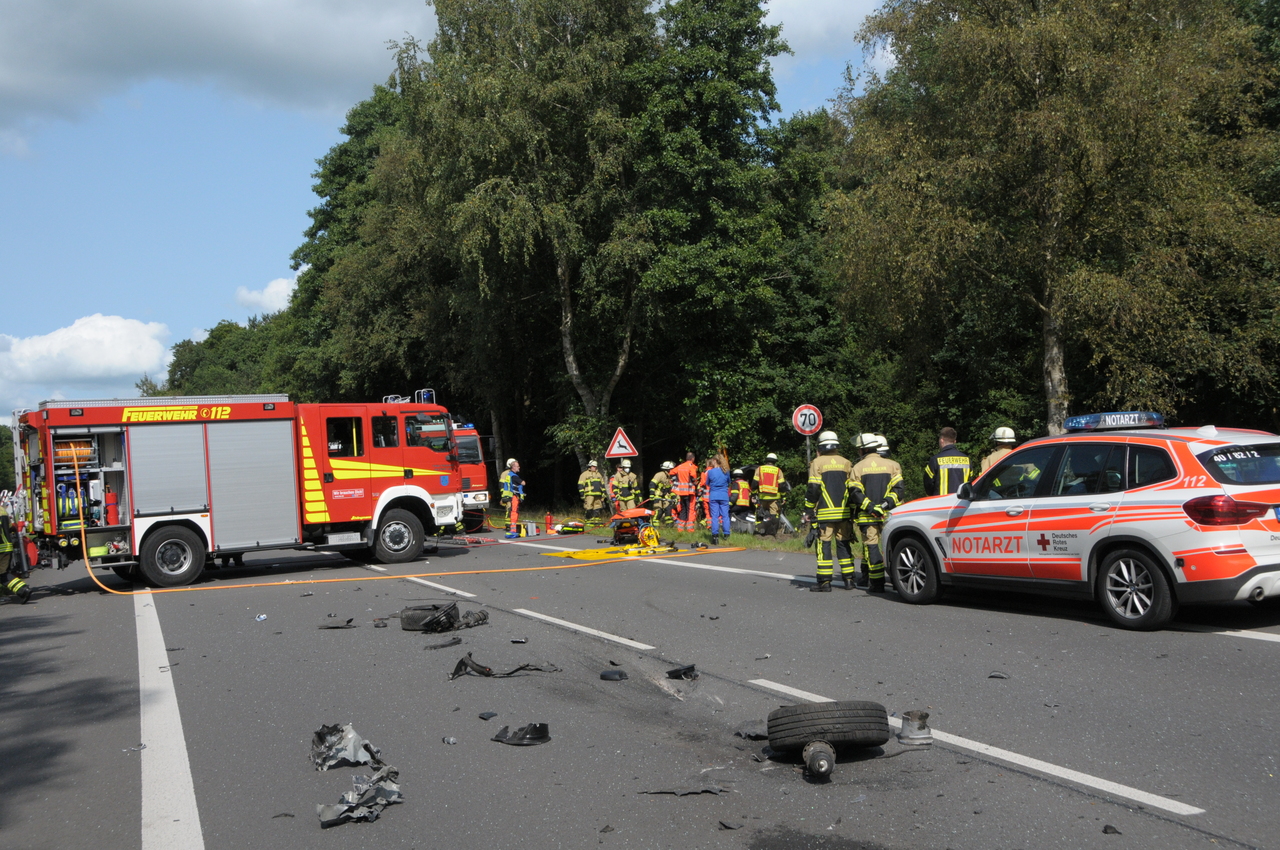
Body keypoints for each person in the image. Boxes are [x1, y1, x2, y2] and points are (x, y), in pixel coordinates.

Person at [850, 434, 905, 592]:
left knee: (872, 548)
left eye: (860, 449)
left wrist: (871, 507)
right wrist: (884, 505)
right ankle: (897, 582)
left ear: (865, 449)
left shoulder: (858, 467)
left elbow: (855, 493)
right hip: (890, 516)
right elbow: (899, 490)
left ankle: (877, 584)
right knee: (893, 548)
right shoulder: (893, 465)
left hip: (867, 517)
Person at [802, 431, 856, 592]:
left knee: (824, 545)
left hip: (825, 513)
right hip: (844, 513)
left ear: (821, 446)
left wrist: (809, 509)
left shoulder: (817, 463)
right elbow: (853, 490)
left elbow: (813, 488)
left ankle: (825, 582)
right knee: (844, 544)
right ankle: (849, 580)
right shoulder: (847, 463)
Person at [924, 426, 971, 496]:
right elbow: (971, 482)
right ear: (954, 441)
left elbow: (928, 484)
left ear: (941, 440)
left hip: (941, 503)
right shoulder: (967, 459)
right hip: (961, 503)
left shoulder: (935, 460)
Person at [0, 503, 31, 604]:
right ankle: (22, 589)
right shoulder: (2, 510)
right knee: (2, 574)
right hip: (6, 547)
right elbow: (9, 527)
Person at [753, 453, 787, 529]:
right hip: (774, 498)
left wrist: (753, 495)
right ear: (775, 461)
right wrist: (784, 497)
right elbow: (782, 486)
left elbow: (755, 483)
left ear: (766, 460)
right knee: (774, 514)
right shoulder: (778, 471)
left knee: (760, 512)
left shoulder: (760, 469)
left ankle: (760, 529)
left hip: (762, 497)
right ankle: (773, 530)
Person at [705, 455, 731, 544]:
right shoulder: (726, 472)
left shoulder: (710, 472)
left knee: (715, 517)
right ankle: (726, 535)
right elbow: (729, 482)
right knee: (725, 516)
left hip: (714, 496)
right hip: (724, 496)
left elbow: (707, 483)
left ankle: (715, 537)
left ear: (715, 461)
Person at [672, 453, 699, 532]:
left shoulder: (680, 467)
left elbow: (671, 472)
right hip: (689, 492)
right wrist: (695, 483)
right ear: (693, 459)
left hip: (680, 492)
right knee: (690, 509)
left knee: (683, 509)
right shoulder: (691, 467)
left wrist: (675, 481)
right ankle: (690, 528)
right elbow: (694, 477)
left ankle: (680, 528)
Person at [500, 459, 525, 536]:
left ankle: (511, 527)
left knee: (511, 511)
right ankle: (512, 528)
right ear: (513, 467)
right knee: (513, 511)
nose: (519, 467)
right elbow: (522, 483)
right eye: (517, 466)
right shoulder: (513, 476)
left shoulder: (508, 474)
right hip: (513, 496)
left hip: (510, 495)